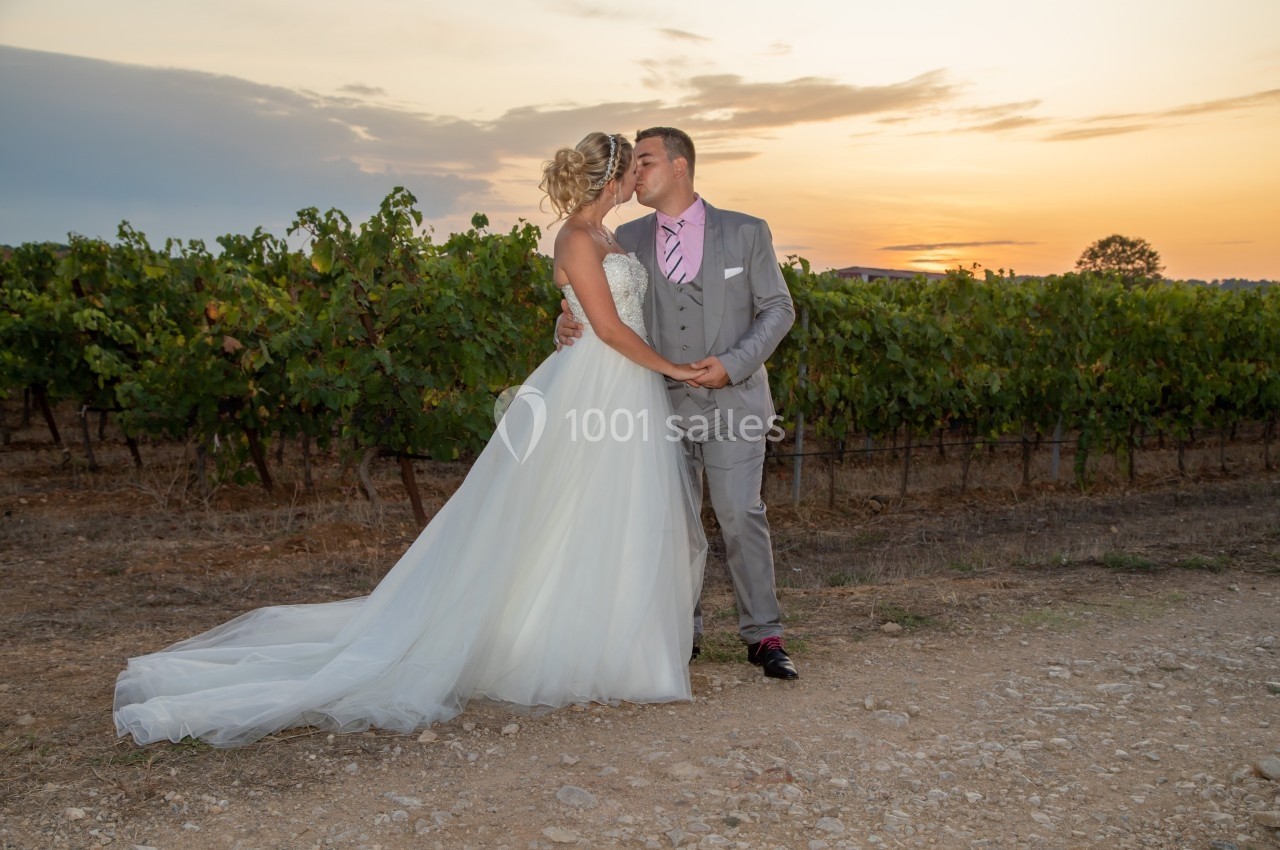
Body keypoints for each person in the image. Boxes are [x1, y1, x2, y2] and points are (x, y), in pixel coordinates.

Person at [113, 132, 710, 747]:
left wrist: (577, 323)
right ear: (612, 178)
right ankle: (563, 646)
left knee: (608, 512)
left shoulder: (610, 236)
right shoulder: (577, 237)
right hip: (597, 382)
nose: (638, 177)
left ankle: (618, 646)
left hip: (621, 385)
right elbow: (605, 327)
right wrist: (672, 367)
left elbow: (597, 311)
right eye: (632, 168)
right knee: (564, 511)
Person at [557, 127, 798, 679]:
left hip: (734, 402)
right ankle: (679, 634)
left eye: (645, 161)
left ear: (680, 166)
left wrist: (734, 363)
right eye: (631, 165)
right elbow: (598, 307)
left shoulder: (746, 231)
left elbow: (779, 309)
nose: (634, 173)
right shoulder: (624, 237)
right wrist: (565, 322)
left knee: (740, 515)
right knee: (669, 525)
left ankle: (764, 635)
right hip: (654, 407)